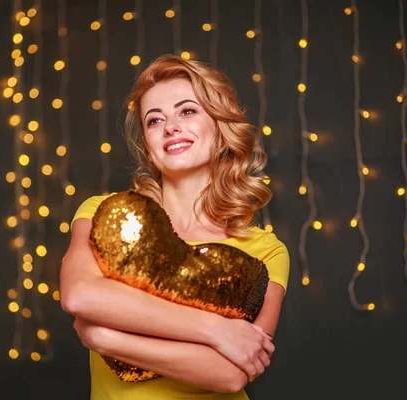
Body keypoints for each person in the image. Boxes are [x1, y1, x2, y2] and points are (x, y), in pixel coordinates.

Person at [60, 54, 289, 400]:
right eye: (154, 120)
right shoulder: (105, 214)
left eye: (187, 111)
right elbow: (80, 294)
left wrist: (108, 337)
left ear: (220, 127)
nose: (170, 127)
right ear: (149, 148)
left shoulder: (266, 250)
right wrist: (216, 330)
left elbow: (231, 375)